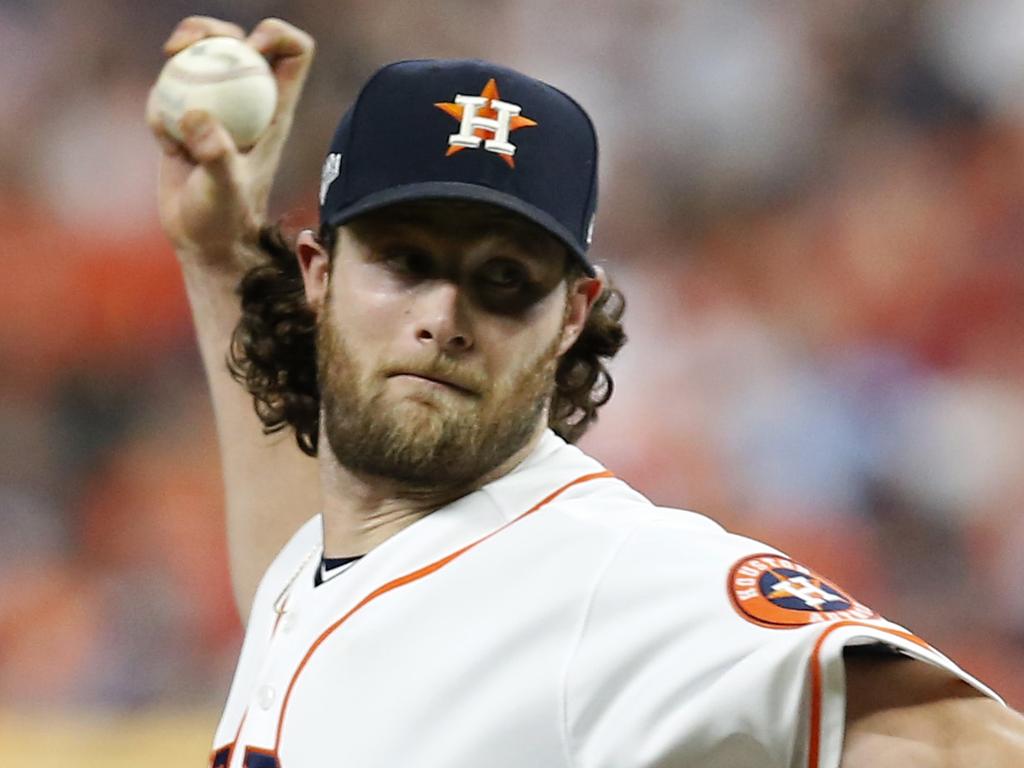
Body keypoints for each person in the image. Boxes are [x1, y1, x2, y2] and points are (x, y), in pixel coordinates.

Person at [147, 15, 1024, 768]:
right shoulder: (331, 560)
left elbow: (966, 743)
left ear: (572, 315)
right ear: (318, 271)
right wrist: (220, 252)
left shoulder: (614, 572)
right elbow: (313, 581)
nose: (443, 316)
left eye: (502, 280)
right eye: (405, 262)